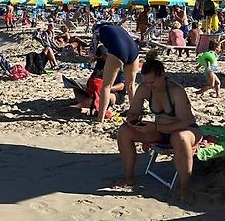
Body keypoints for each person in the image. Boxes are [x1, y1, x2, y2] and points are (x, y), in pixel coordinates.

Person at [116, 57, 202, 203]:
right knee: (124, 131)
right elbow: (134, 110)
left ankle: (185, 188)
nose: (149, 86)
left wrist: (156, 127)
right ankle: (128, 178)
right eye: (146, 82)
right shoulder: (145, 88)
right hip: (160, 131)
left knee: (179, 137)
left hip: (186, 130)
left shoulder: (176, 91)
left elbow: (185, 122)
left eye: (152, 82)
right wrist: (133, 118)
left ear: (162, 75)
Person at [90, 22, 140, 122]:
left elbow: (92, 51)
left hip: (118, 51)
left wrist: (94, 58)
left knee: (106, 86)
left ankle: (100, 118)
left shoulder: (97, 31)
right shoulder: (119, 28)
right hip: (134, 50)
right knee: (131, 86)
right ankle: (136, 114)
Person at [71, 45, 126, 112]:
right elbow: (95, 78)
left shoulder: (117, 64)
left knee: (105, 96)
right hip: (99, 88)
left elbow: (121, 86)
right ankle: (89, 104)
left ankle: (82, 105)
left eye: (102, 57)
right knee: (76, 87)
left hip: (115, 93)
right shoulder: (100, 62)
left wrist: (106, 89)